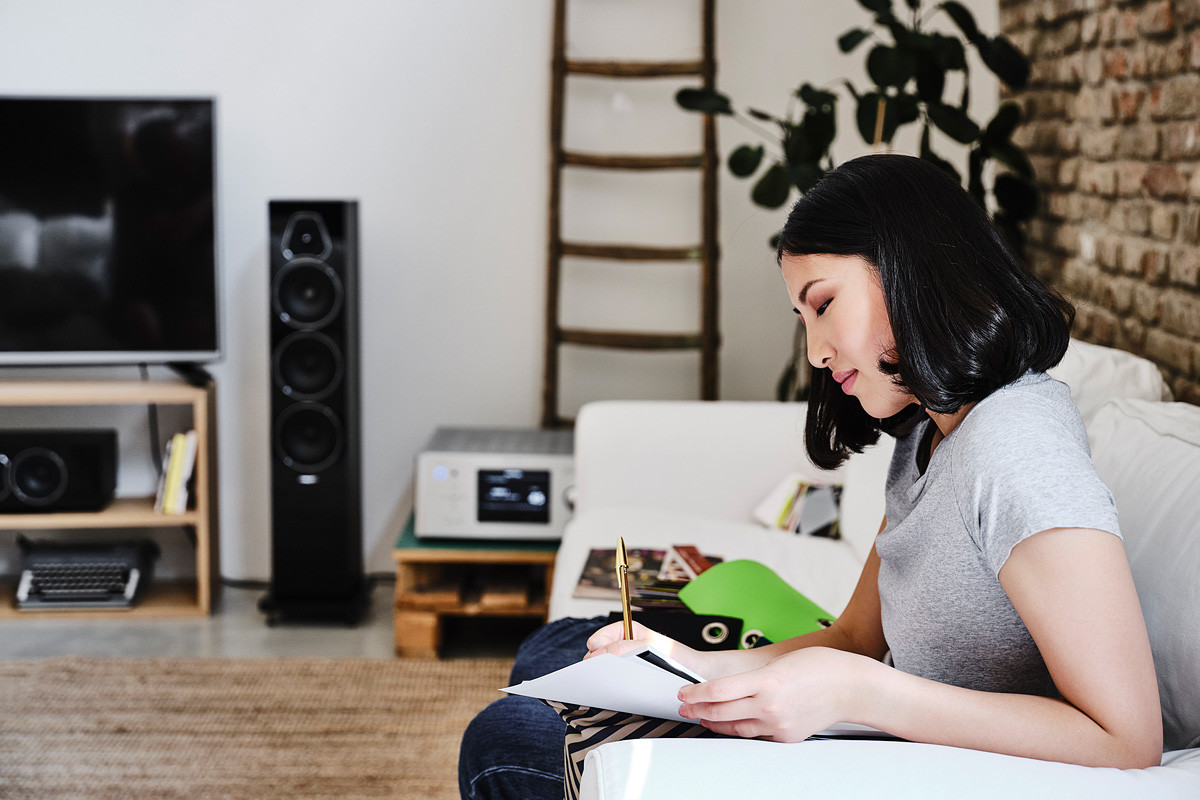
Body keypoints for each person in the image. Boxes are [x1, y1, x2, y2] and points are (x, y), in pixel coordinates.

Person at [459, 153, 1162, 800]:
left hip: (917, 755)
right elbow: (856, 639)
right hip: (879, 722)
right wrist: (688, 666)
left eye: (823, 304)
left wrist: (869, 697)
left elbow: (1127, 740)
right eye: (803, 318)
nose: (816, 353)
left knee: (503, 743)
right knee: (562, 647)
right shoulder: (932, 430)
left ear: (911, 269)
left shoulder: (1017, 447)